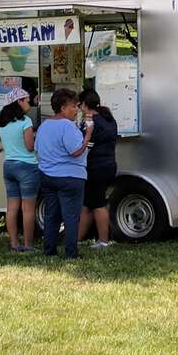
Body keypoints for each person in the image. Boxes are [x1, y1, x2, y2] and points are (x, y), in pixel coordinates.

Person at [35, 88, 93, 259]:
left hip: (47, 175)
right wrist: (87, 137)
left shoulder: (44, 126)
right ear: (63, 108)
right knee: (71, 216)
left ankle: (49, 250)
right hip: (70, 176)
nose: (76, 110)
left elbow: (37, 149)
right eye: (73, 106)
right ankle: (71, 253)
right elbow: (75, 151)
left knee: (51, 214)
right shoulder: (68, 127)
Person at [0, 87, 39, 251]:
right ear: (18, 102)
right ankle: (28, 244)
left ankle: (14, 243)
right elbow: (29, 147)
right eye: (26, 100)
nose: (29, 103)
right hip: (27, 166)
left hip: (9, 166)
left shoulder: (3, 123)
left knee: (11, 208)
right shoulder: (25, 122)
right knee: (27, 209)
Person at [77, 90, 118, 248]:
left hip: (95, 167)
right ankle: (77, 239)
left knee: (98, 204)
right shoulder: (108, 118)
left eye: (80, 104)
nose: (79, 107)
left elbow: (84, 144)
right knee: (88, 204)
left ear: (85, 104)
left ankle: (103, 241)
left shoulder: (90, 121)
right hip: (109, 164)